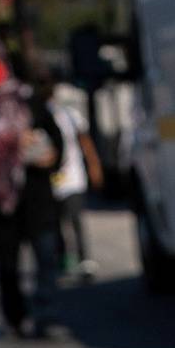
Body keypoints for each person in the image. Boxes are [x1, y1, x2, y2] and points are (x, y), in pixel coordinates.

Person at [0, 49, 65, 338]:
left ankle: (46, 315)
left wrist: (49, 156)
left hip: (34, 192)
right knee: (8, 266)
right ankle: (16, 316)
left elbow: (54, 136)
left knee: (47, 255)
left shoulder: (27, 98)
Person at [41, 69, 103, 278]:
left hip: (72, 175)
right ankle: (63, 258)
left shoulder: (68, 113)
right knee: (57, 221)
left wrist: (94, 165)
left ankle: (84, 258)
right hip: (51, 178)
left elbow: (84, 140)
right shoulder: (40, 115)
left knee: (76, 218)